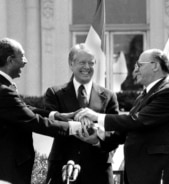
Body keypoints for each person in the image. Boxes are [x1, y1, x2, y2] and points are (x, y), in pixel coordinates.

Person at [0, 38, 81, 184]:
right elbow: (33, 121)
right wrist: (75, 127)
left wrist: (56, 115)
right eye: (22, 56)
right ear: (10, 60)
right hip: (8, 169)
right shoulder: (2, 91)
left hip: (4, 164)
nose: (25, 61)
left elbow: (21, 109)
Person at [75, 49, 169, 184]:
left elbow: (138, 121)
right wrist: (98, 140)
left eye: (139, 65)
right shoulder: (143, 96)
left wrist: (98, 117)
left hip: (158, 173)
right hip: (140, 173)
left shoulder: (168, 93)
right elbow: (126, 131)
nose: (135, 70)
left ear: (155, 66)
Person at [44, 43, 124, 184]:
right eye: (82, 62)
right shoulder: (55, 93)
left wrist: (97, 140)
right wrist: (78, 124)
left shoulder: (109, 96)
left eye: (91, 63)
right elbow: (50, 125)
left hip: (98, 169)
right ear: (71, 64)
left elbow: (116, 132)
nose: (87, 67)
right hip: (63, 167)